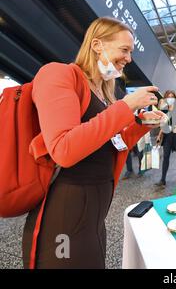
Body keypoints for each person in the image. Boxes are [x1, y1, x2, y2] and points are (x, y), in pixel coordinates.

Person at [22, 17, 165, 269]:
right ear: (97, 45)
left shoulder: (104, 90)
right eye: (124, 50)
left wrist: (141, 124)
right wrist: (126, 106)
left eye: (130, 52)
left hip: (96, 210)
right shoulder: (58, 74)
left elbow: (109, 143)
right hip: (67, 205)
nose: (129, 59)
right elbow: (64, 149)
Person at [155, 90, 176, 186]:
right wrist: (159, 135)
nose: (170, 98)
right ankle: (162, 179)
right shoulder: (164, 110)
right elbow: (163, 124)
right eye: (168, 97)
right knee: (166, 156)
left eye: (172, 96)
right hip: (167, 136)